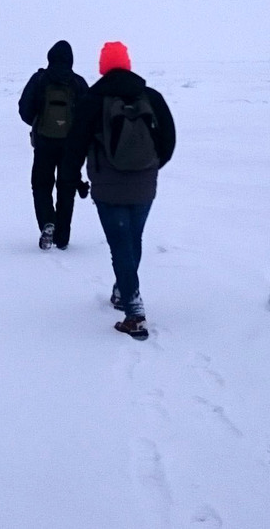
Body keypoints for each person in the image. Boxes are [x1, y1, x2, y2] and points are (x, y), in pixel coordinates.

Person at [62, 41, 175, 340]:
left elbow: (74, 147)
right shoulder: (151, 97)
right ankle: (122, 290)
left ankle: (133, 311)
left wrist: (75, 182)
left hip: (107, 187)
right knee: (132, 239)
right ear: (127, 63)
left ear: (102, 66)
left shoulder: (91, 101)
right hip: (144, 186)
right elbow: (169, 140)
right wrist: (151, 167)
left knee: (120, 244)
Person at [17, 40, 90, 250]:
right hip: (71, 146)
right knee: (66, 189)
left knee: (41, 186)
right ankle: (63, 237)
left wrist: (38, 122)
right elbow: (88, 113)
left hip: (44, 143)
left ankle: (47, 223)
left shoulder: (40, 79)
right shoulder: (77, 83)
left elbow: (24, 109)